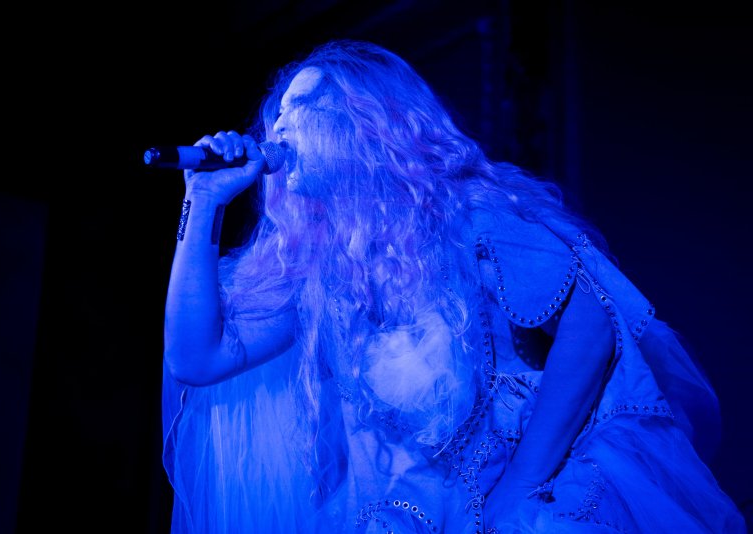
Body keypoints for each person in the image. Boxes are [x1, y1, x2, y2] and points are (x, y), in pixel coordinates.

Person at [160, 39, 746, 533]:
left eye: (304, 107)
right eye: (277, 115)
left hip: (531, 493)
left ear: (366, 122)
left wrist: (521, 488)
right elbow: (197, 358)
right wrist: (202, 202)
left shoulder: (470, 215)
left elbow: (589, 322)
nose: (280, 126)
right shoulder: (317, 272)